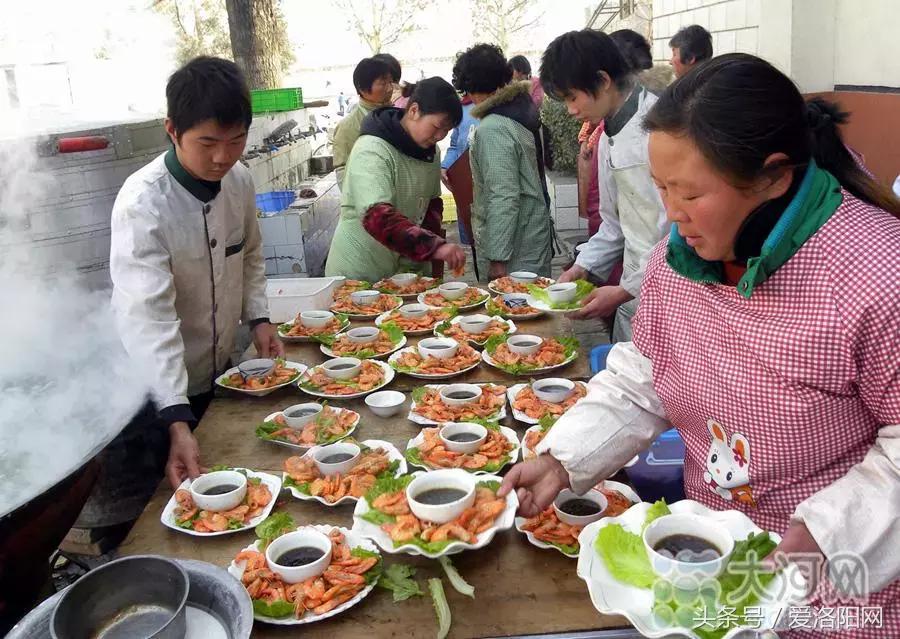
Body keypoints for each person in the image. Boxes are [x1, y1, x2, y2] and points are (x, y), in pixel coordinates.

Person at [501, 54, 900, 636]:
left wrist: (825, 533)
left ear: (771, 176)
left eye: (689, 193)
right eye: (661, 188)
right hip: (709, 565)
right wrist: (563, 460)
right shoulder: (677, 260)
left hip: (839, 586)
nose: (671, 213)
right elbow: (644, 373)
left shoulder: (875, 273)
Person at [108, 57, 281, 501]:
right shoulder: (143, 205)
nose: (223, 156)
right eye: (207, 142)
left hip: (219, 373)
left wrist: (259, 317)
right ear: (172, 129)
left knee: (230, 485)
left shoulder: (238, 181)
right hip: (155, 391)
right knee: (169, 499)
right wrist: (176, 419)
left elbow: (251, 254)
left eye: (236, 140)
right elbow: (150, 320)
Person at [545, 30, 667, 341]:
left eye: (572, 97)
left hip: (672, 295)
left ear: (602, 80)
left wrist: (627, 289)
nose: (571, 110)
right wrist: (581, 267)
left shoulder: (660, 129)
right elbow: (614, 226)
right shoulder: (607, 135)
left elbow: (677, 233)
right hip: (635, 291)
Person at [325, 77, 466, 280]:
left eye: (447, 130)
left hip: (405, 273)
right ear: (414, 110)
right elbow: (376, 216)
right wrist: (432, 247)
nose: (440, 136)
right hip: (359, 272)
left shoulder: (431, 152)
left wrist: (428, 259)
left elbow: (431, 207)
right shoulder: (372, 149)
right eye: (437, 127)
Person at [455, 43, 552, 280]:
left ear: (472, 87)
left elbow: (503, 195)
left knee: (515, 314)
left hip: (515, 250)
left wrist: (497, 259)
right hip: (532, 236)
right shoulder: (522, 107)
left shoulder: (494, 127)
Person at [332, 57, 394, 186]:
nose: (389, 89)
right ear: (362, 88)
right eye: (383, 83)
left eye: (391, 82)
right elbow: (343, 172)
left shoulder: (397, 115)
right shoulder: (347, 126)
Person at [440, 89, 478, 264]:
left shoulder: (500, 110)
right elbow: (455, 144)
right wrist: (445, 165)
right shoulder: (463, 109)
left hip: (490, 187)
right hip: (465, 185)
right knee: (470, 241)